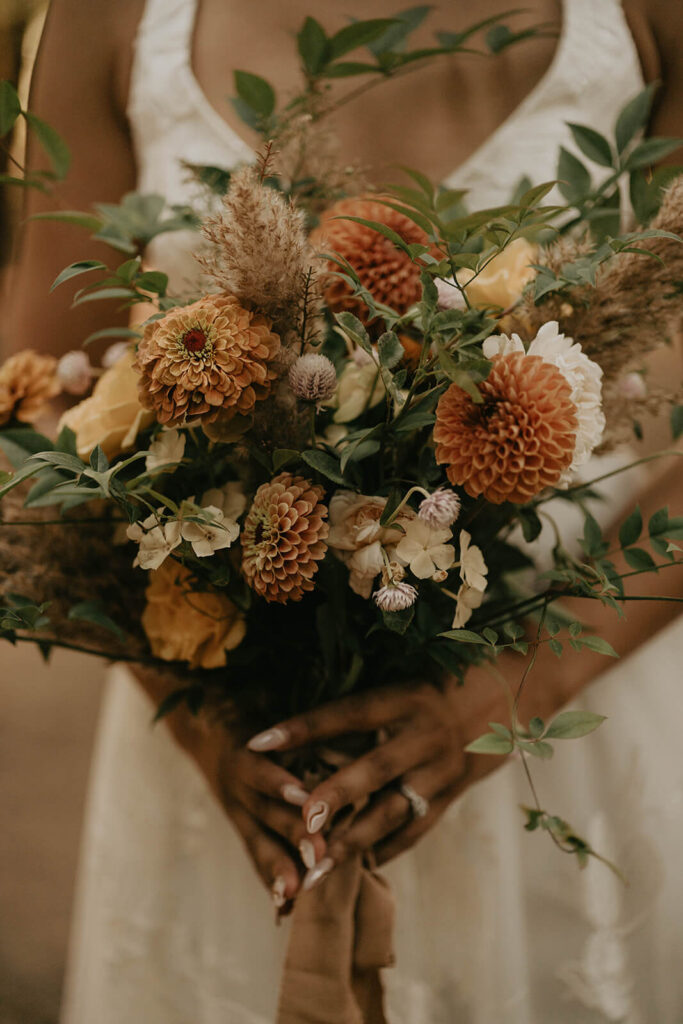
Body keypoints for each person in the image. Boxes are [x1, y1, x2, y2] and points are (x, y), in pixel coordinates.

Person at [3, 0, 683, 1020]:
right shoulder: (107, 16)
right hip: (226, 754)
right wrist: (208, 725)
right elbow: (37, 398)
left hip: (560, 719)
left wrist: (503, 694)